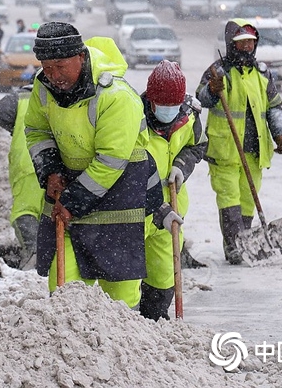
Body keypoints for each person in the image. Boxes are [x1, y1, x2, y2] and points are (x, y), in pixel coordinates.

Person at [24, 22, 181, 309]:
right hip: (71, 196)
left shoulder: (115, 96)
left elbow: (110, 160)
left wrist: (71, 201)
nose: (54, 75)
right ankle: (67, 341)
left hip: (120, 200)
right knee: (64, 286)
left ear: (81, 57)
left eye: (60, 66)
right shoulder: (43, 86)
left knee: (120, 293)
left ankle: (126, 345)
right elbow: (36, 131)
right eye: (47, 67)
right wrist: (50, 170)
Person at [195, 18, 282, 265]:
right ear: (231, 44)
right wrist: (212, 91)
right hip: (225, 149)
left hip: (254, 149)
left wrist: (280, 134)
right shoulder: (218, 71)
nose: (247, 47)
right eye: (241, 42)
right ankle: (233, 245)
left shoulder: (261, 72)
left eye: (250, 42)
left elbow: (274, 107)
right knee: (229, 199)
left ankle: (246, 240)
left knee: (248, 199)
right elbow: (200, 99)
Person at [139, 60, 208, 321]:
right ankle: (126, 329)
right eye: (163, 106)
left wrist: (181, 165)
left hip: (172, 213)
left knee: (164, 271)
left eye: (174, 106)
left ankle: (156, 320)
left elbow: (198, 145)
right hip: (136, 209)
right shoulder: (133, 117)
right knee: (125, 277)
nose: (169, 111)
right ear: (151, 100)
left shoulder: (190, 116)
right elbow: (124, 165)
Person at [0, 81, 44, 270]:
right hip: (53, 165)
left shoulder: (22, 98)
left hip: (28, 163)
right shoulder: (58, 95)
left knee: (24, 212)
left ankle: (34, 254)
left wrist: (15, 129)